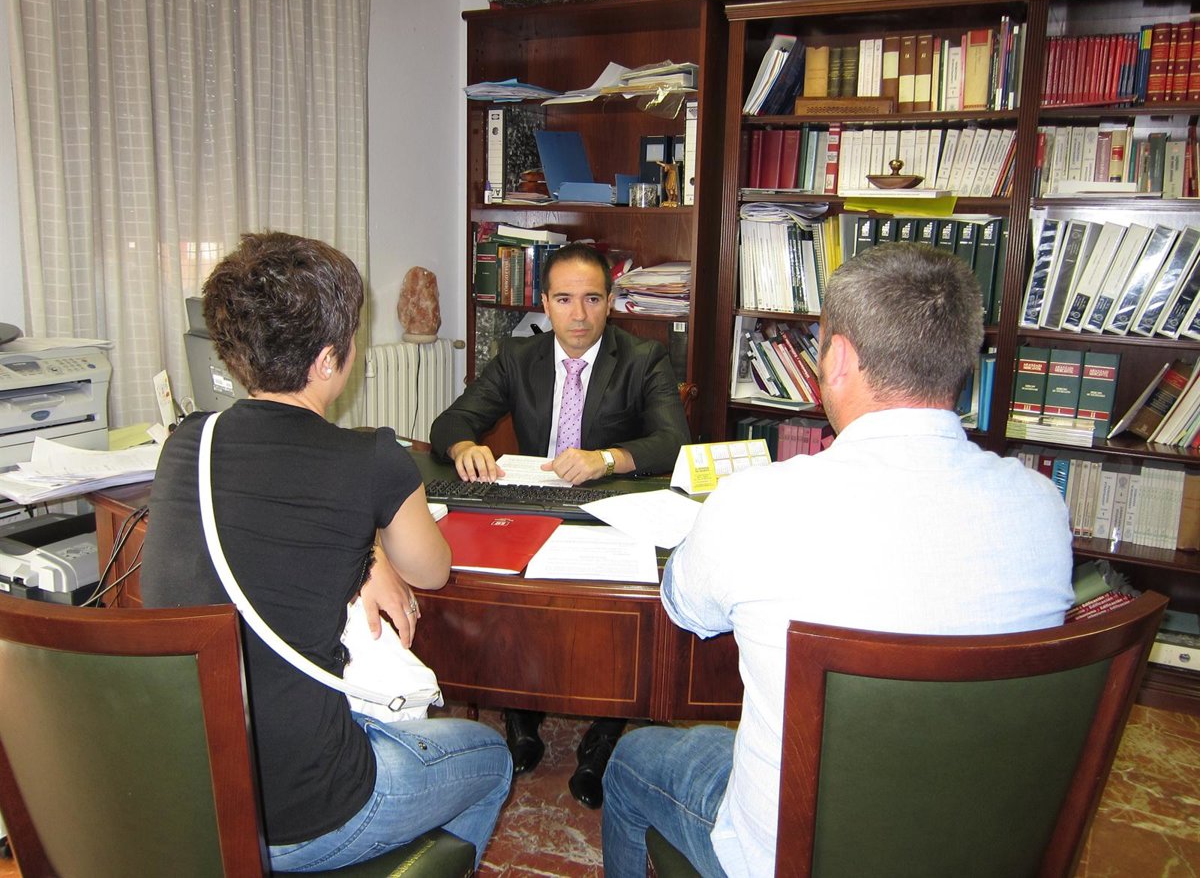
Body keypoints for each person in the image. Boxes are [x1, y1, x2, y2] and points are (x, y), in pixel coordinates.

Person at [601, 242, 1076, 877]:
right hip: (978, 844)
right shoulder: (1042, 504)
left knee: (634, 762)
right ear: (964, 359)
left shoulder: (757, 502)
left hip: (796, 858)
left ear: (840, 358)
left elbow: (685, 610)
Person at [141, 232, 512, 872]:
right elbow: (432, 570)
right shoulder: (371, 460)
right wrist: (374, 545)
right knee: (489, 758)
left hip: (195, 802)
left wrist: (365, 555)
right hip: (308, 814)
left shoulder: (187, 445)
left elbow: (275, 533)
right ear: (326, 361)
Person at [430, 241, 690, 809]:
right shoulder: (517, 356)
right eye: (565, 299)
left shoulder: (643, 358)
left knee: (615, 613)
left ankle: (606, 728)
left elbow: (674, 441)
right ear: (545, 303)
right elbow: (449, 421)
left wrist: (608, 458)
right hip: (535, 505)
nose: (579, 314)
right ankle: (520, 711)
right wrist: (464, 445)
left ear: (610, 302)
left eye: (592, 299)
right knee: (502, 592)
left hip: (610, 511)